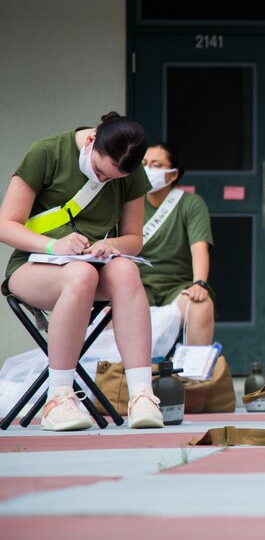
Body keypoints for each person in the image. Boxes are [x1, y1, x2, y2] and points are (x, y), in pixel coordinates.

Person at [0, 112, 164, 431]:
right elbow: (6, 225)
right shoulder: (46, 153)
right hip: (34, 266)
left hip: (91, 261)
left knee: (127, 271)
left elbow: (134, 239)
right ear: (91, 141)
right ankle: (58, 398)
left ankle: (142, 395)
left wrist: (113, 245)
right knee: (82, 276)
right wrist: (53, 246)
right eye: (101, 172)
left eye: (111, 179)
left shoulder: (127, 173)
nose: (103, 181)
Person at [139, 142, 216, 345]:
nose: (148, 170)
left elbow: (199, 248)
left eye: (156, 165)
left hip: (176, 286)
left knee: (201, 306)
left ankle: (194, 376)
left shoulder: (190, 204)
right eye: (144, 163)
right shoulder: (130, 202)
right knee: (105, 312)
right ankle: (113, 375)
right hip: (135, 286)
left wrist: (199, 283)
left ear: (173, 174)